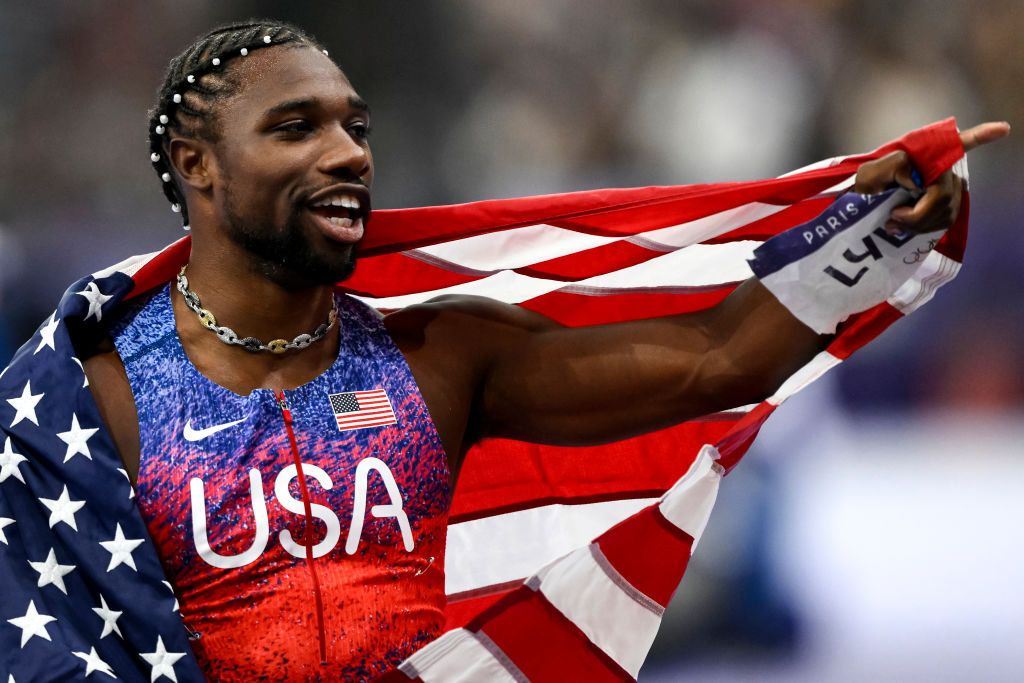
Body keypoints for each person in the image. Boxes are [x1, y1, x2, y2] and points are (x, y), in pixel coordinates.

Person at [1, 19, 1007, 683]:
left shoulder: (437, 356)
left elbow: (720, 360)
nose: (348, 153)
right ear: (198, 164)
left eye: (355, 125)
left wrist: (870, 230)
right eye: (296, 127)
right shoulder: (97, 400)